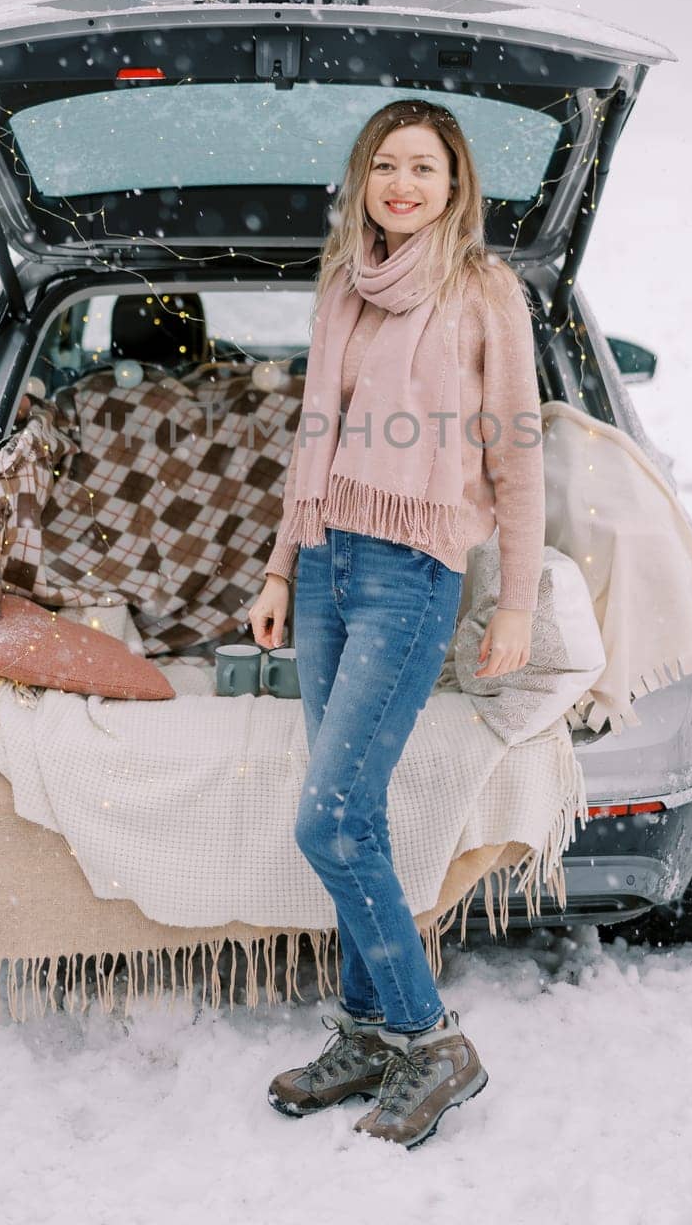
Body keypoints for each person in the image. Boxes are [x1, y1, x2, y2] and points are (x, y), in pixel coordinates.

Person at [247, 99, 546, 1149]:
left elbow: (515, 453)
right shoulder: (343, 286)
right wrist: (281, 565)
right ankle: (367, 1027)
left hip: (412, 575)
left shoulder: (483, 292)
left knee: (326, 818)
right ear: (362, 179)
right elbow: (314, 435)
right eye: (384, 166)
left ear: (454, 183)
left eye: (422, 167)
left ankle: (432, 1038)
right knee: (354, 815)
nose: (401, 185)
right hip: (327, 562)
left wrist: (513, 599)